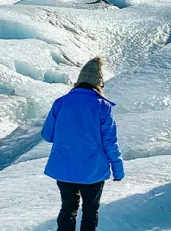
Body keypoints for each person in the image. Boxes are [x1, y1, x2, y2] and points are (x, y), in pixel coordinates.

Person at [41, 57, 124, 231]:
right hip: (93, 169)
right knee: (90, 211)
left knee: (68, 209)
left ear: (79, 81)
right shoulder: (102, 106)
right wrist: (118, 169)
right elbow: (110, 142)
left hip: (64, 167)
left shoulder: (61, 102)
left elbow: (47, 135)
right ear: (99, 83)